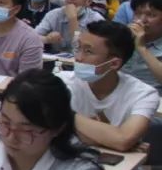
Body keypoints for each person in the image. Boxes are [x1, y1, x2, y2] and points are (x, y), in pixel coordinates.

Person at [68, 21, 158, 152]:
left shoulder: (144, 94)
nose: (78, 57)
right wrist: (108, 139)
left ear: (114, 64)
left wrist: (66, 116)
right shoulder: (61, 82)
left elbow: (123, 140)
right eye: (78, 48)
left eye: (88, 51)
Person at [36, 0, 104, 53]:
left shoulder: (97, 20)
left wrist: (72, 19)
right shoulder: (54, 14)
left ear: (88, 1)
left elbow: (78, 50)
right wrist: (47, 39)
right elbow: (32, 38)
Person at [125, 0, 162, 91]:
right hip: (121, 94)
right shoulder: (125, 36)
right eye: (137, 14)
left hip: (153, 96)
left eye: (151, 15)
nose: (142, 20)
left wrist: (142, 48)